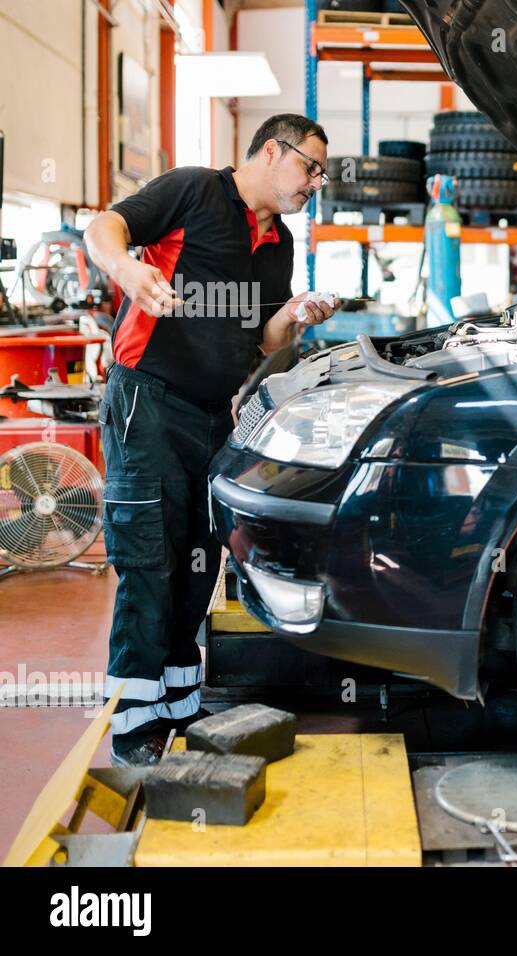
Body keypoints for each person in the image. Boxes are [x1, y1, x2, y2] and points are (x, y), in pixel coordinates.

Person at [85, 114, 338, 766]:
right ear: (273, 151)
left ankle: (175, 704)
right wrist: (126, 270)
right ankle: (133, 726)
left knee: (200, 558)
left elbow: (262, 341)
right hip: (149, 403)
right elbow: (102, 225)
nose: (316, 180)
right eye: (310, 165)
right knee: (149, 561)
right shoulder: (194, 191)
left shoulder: (278, 242)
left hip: (215, 416)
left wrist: (293, 316)